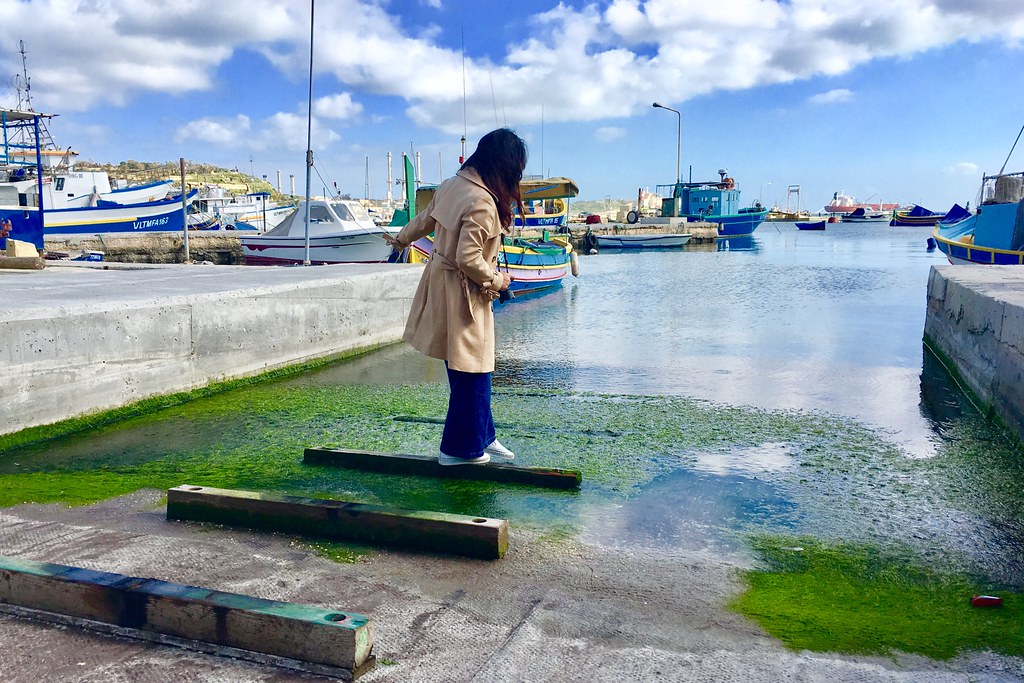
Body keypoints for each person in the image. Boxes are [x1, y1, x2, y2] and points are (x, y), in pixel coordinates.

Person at [384, 128, 523, 466]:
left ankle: (483, 436)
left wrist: (400, 240)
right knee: (473, 370)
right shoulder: (483, 202)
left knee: (464, 366)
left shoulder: (451, 185)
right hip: (464, 294)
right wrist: (499, 280)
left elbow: (424, 221)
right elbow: (468, 258)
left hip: (440, 285)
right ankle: (459, 450)